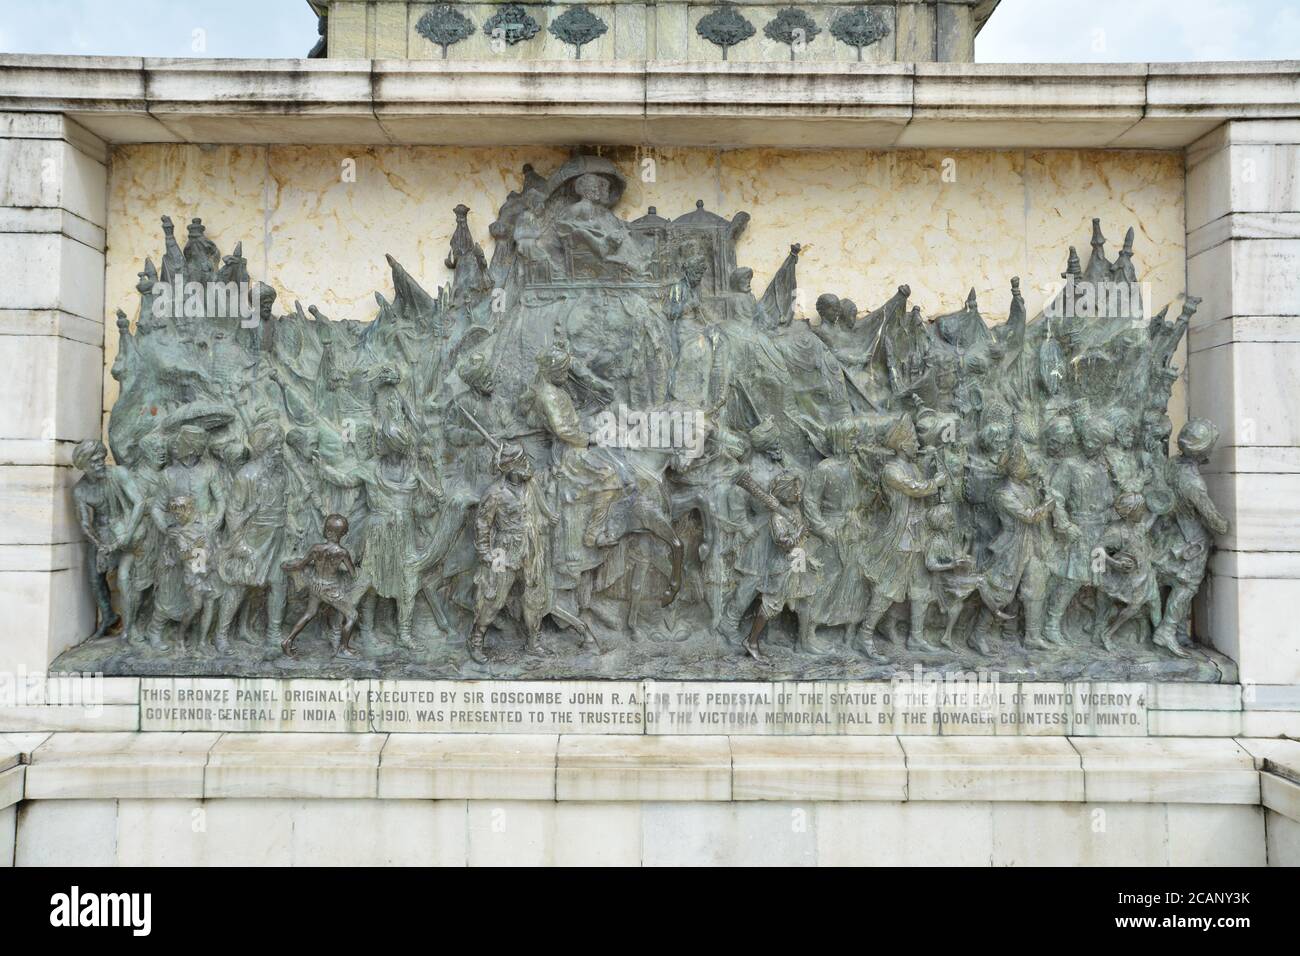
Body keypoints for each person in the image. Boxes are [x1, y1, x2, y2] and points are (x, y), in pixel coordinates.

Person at [281, 514, 359, 658]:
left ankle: (287, 640)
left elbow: (300, 565)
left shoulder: (316, 548)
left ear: (326, 530)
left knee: (309, 613)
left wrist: (287, 566)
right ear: (343, 533)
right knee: (352, 615)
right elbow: (353, 574)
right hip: (331, 589)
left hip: (315, 585)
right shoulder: (342, 552)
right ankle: (343, 648)